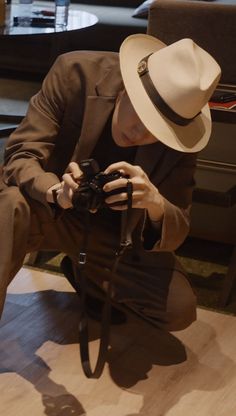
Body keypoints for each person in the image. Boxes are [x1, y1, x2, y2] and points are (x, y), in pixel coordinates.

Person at [0, 34, 221, 331]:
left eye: (158, 130)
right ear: (127, 86)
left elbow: (179, 225)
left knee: (177, 310)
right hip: (43, 208)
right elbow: (20, 154)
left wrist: (154, 203)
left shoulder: (181, 138)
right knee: (10, 202)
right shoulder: (74, 72)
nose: (141, 132)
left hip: (112, 234)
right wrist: (54, 190)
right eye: (142, 113)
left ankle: (86, 276)